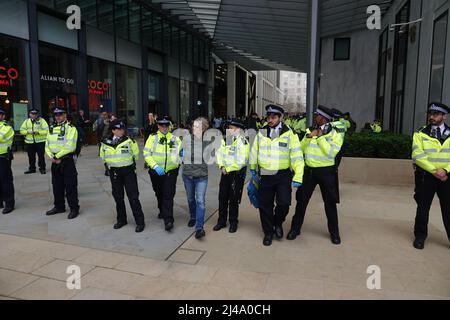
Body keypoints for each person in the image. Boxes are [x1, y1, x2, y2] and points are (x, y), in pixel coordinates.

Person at [287, 105, 345, 245]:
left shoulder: (335, 133)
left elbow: (331, 153)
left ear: (323, 118)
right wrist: (308, 137)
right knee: (301, 201)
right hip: (309, 172)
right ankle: (295, 229)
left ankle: (334, 233)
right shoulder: (309, 130)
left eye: (316, 116)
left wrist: (319, 137)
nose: (314, 118)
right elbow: (300, 148)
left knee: (330, 204)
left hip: (326, 173)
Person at [249, 105, 304, 246]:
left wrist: (298, 176)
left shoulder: (290, 134)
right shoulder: (261, 132)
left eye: (273, 117)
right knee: (264, 205)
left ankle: (277, 223)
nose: (270, 120)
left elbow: (297, 156)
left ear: (280, 118)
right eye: (268, 117)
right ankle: (268, 232)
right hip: (266, 174)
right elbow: (254, 150)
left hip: (283, 174)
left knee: (284, 203)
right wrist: (253, 168)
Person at [411, 102, 450, 250]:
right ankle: (420, 237)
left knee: (448, 209)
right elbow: (417, 155)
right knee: (422, 208)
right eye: (430, 114)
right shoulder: (420, 133)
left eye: (436, 114)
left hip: (446, 178)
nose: (431, 117)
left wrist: (445, 171)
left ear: (444, 116)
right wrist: (435, 171)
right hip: (426, 176)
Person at [100, 120, 145, 233]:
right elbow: (103, 156)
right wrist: (109, 166)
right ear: (113, 130)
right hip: (114, 173)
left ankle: (140, 222)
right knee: (118, 197)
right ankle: (121, 220)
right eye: (119, 129)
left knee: (133, 197)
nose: (121, 131)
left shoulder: (129, 141)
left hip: (128, 171)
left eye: (122, 129)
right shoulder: (105, 142)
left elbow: (136, 155)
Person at [143, 116, 182, 231]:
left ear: (169, 126)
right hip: (156, 172)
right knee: (159, 192)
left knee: (168, 195)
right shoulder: (152, 138)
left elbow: (180, 154)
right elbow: (146, 154)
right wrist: (155, 166)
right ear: (158, 126)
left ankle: (168, 220)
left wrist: (180, 159)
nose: (164, 127)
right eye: (161, 125)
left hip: (171, 172)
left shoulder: (175, 139)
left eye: (166, 125)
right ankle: (162, 210)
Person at [215, 119, 249, 233]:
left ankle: (233, 222)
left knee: (233, 199)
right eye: (229, 127)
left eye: (232, 128)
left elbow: (242, 160)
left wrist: (228, 168)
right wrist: (221, 166)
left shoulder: (243, 141)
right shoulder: (225, 139)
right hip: (225, 173)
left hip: (235, 174)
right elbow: (219, 153)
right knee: (222, 197)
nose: (230, 130)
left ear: (238, 130)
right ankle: (221, 221)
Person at [45, 107, 80, 219]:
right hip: (55, 162)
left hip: (66, 161)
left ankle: (74, 208)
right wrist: (51, 156)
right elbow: (47, 144)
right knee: (56, 186)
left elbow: (70, 146)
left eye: (60, 114)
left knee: (70, 186)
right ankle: (59, 207)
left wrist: (57, 156)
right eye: (56, 115)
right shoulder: (51, 128)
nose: (58, 116)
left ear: (65, 115)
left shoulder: (71, 128)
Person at [181, 117, 210, 239]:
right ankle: (193, 216)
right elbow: (179, 152)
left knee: (200, 201)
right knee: (190, 199)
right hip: (188, 175)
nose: (194, 128)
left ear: (203, 128)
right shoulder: (186, 139)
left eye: (198, 127)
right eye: (193, 126)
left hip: (201, 177)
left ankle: (199, 228)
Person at [19, 108, 49, 174]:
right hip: (29, 142)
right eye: (32, 114)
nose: (34, 115)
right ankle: (32, 169)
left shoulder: (42, 121)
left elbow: (47, 130)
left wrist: (38, 132)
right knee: (31, 156)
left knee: (41, 156)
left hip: (40, 142)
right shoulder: (26, 121)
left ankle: (42, 168)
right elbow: (21, 130)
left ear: (38, 114)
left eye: (35, 114)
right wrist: (28, 132)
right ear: (29, 114)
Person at [0, 108, 15, 214]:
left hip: (3, 157)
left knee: (6, 181)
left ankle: (9, 203)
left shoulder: (7, 128)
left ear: (3, 116)